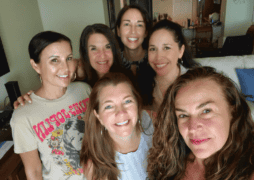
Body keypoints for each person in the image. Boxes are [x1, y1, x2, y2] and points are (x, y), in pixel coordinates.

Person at [147, 66, 254, 180]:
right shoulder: (169, 161)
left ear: (233, 110)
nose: (192, 128)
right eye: (183, 115)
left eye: (206, 111)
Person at [10, 31, 91, 179]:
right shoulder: (22, 116)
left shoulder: (84, 90)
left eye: (69, 58)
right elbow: (34, 171)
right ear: (36, 65)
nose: (65, 67)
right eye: (54, 60)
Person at [13, 24, 128, 108]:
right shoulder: (76, 74)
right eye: (93, 48)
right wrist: (33, 98)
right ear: (85, 53)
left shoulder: (126, 75)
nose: (102, 55)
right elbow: (52, 86)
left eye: (107, 47)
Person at [80, 72, 152, 180]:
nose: (121, 112)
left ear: (137, 104)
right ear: (98, 116)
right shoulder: (95, 168)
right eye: (109, 106)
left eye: (127, 101)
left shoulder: (153, 124)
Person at [139, 19, 199, 112]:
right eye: (153, 49)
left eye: (166, 48)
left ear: (181, 51)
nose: (158, 57)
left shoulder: (197, 82)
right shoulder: (142, 83)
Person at [115, 4, 152, 75]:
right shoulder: (113, 61)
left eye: (139, 25)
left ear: (146, 32)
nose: (133, 31)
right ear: (118, 31)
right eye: (127, 24)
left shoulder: (154, 60)